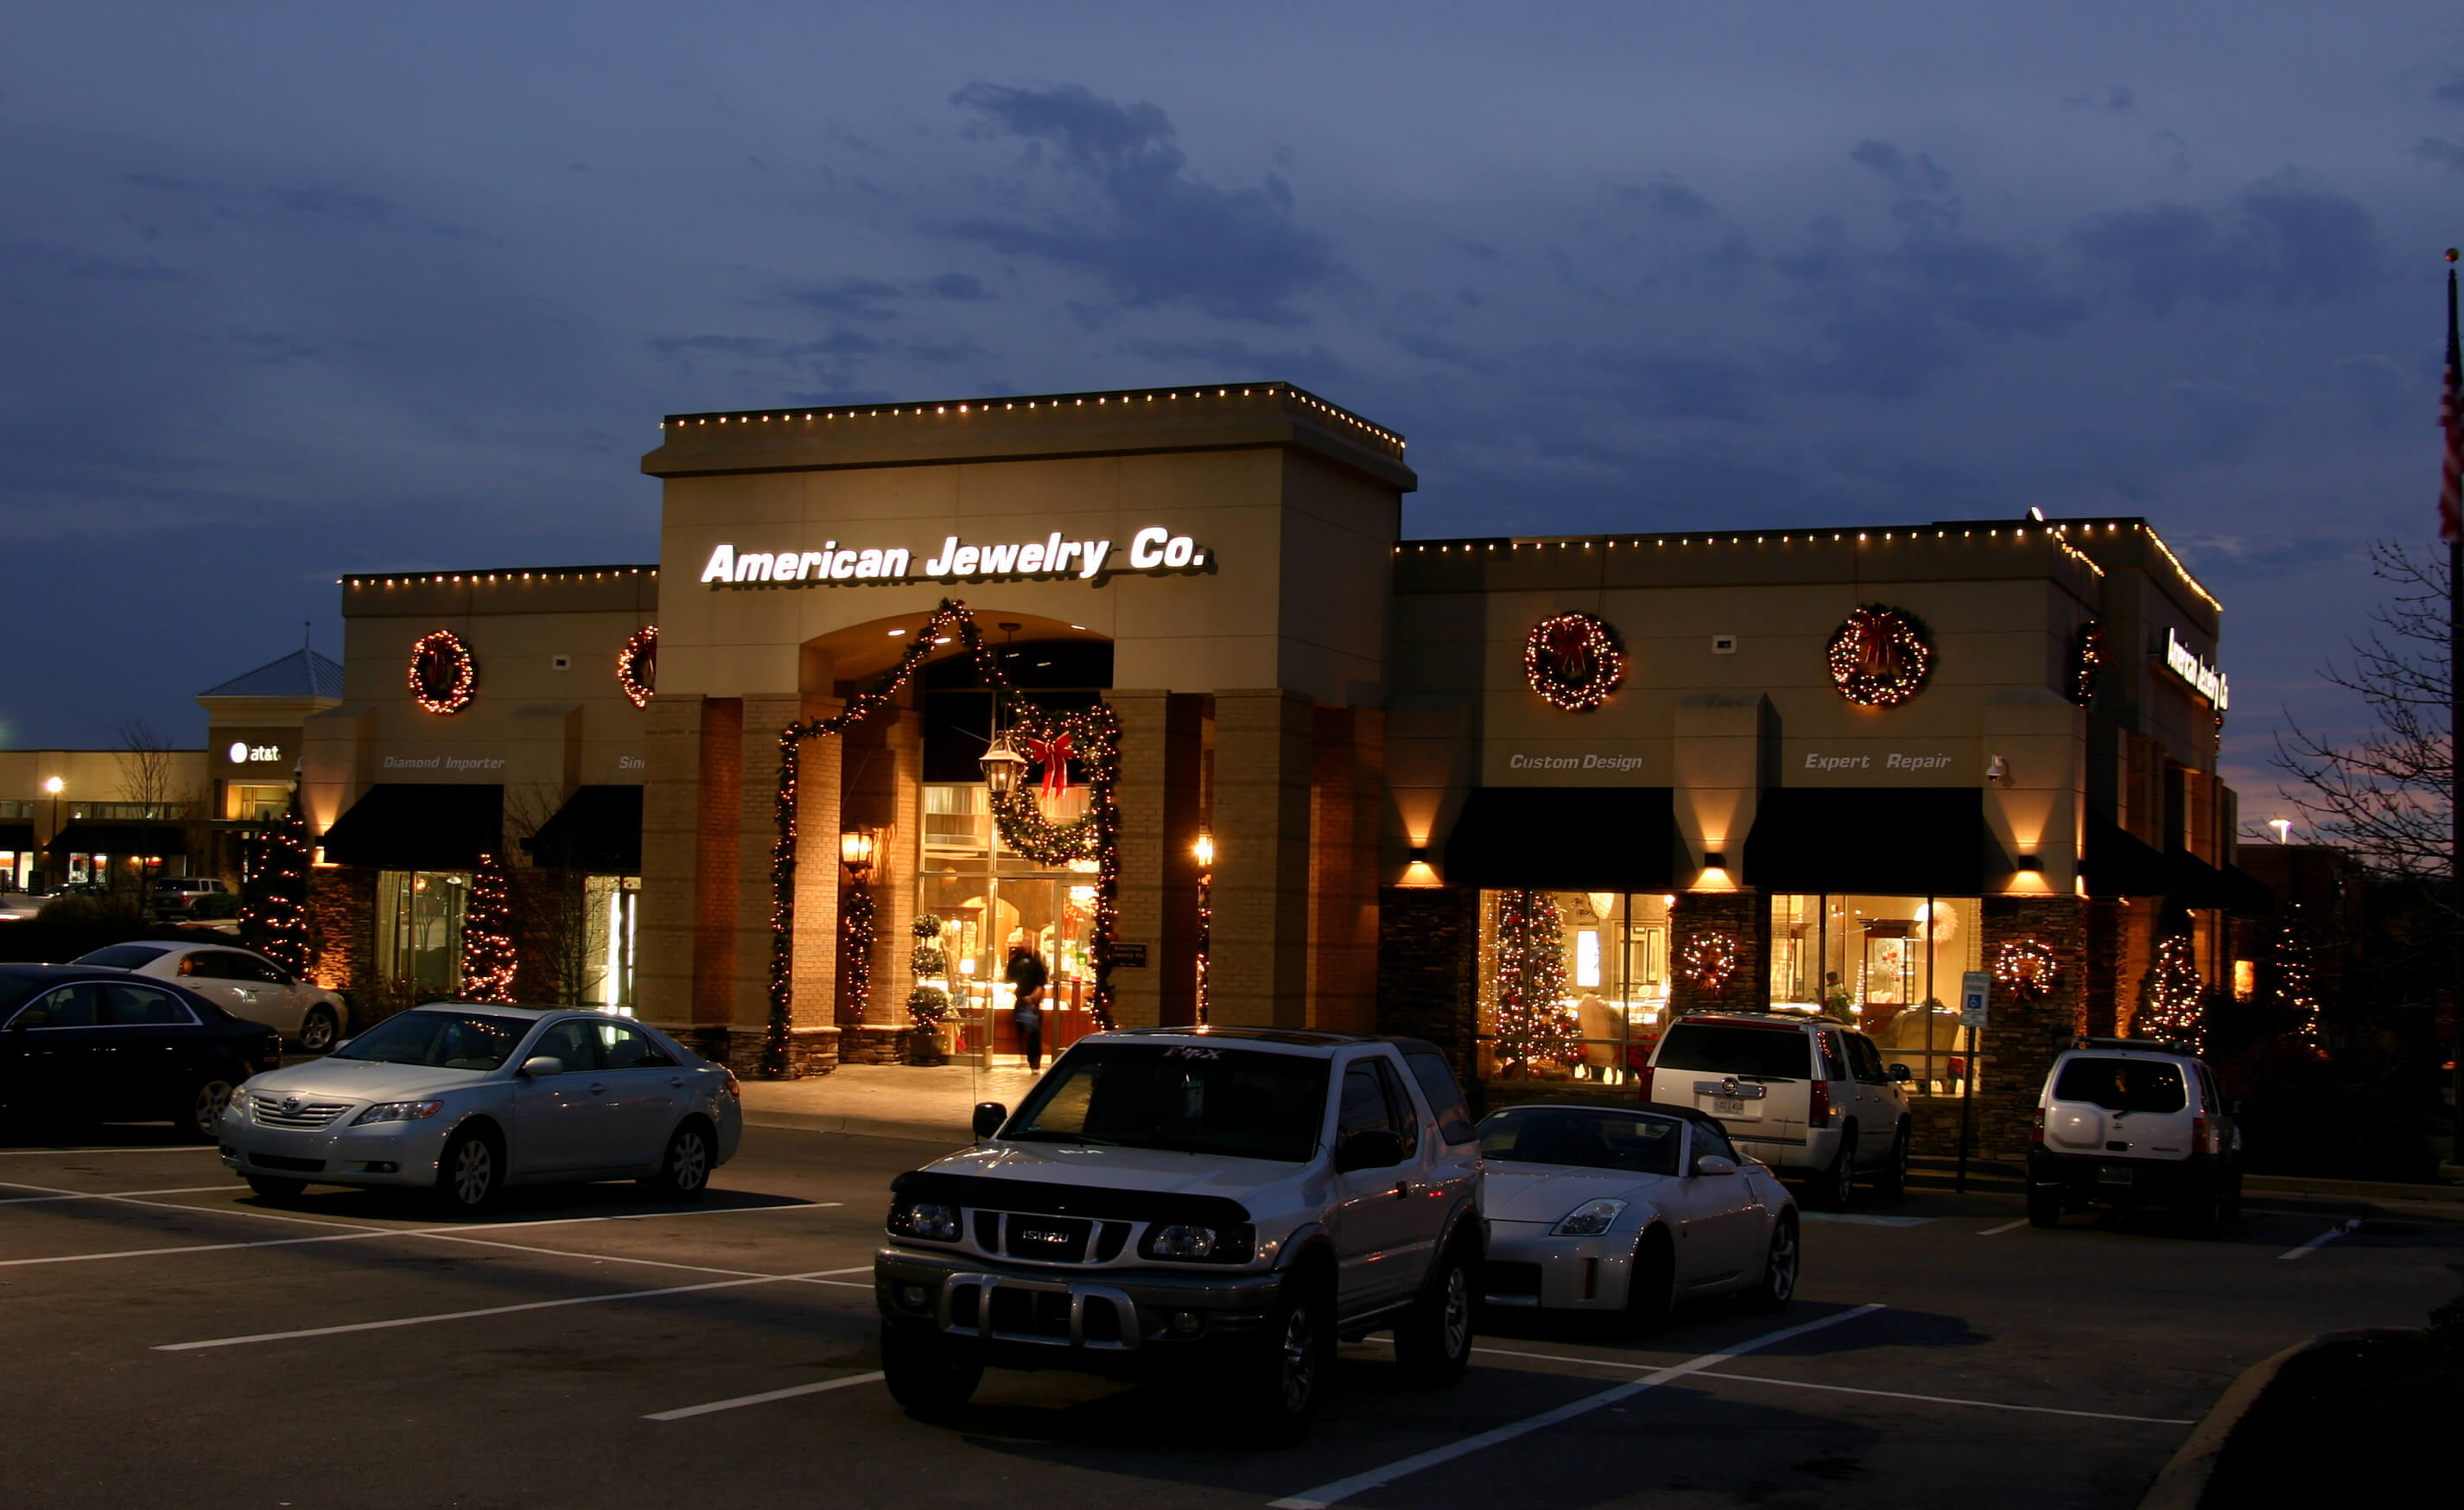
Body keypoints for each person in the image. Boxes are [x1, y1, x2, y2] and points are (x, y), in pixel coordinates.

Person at [1005, 944, 1050, 1071]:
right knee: (1024, 1031)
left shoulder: (1036, 963)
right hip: (1021, 1001)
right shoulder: (1017, 961)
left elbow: (1041, 983)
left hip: (1032, 1003)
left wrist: (1033, 997)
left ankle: (1034, 1061)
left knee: (1033, 1033)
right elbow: (1010, 976)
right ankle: (1027, 1058)